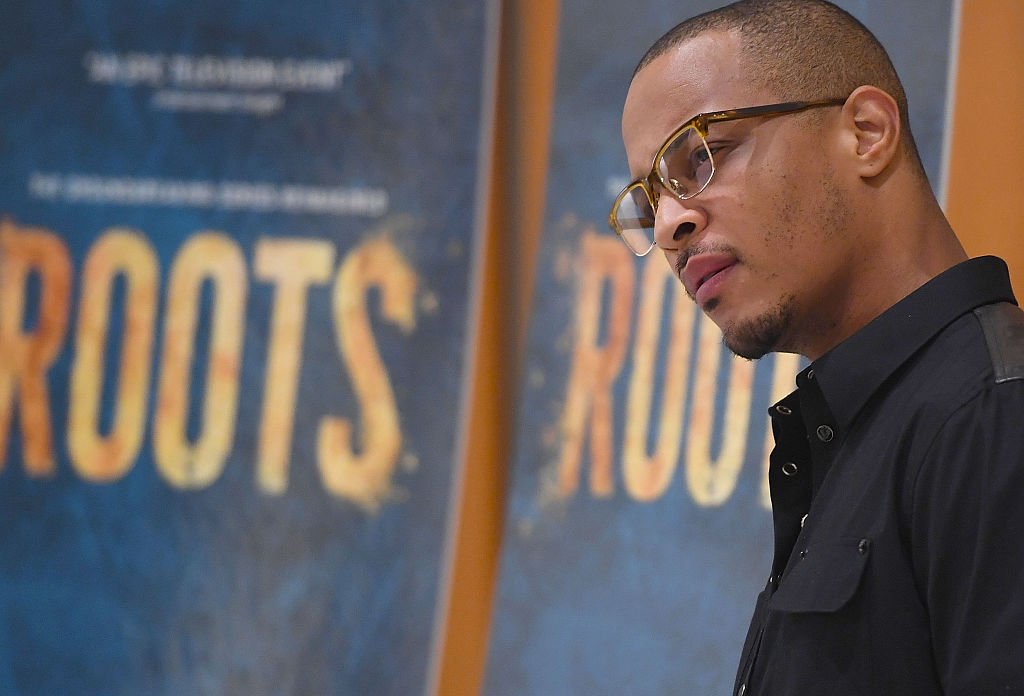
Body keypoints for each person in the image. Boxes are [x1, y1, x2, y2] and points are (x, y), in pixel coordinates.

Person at [608, 0, 1024, 694]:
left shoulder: (993, 416)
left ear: (866, 133)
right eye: (650, 201)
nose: (670, 224)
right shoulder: (857, 427)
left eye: (702, 156)